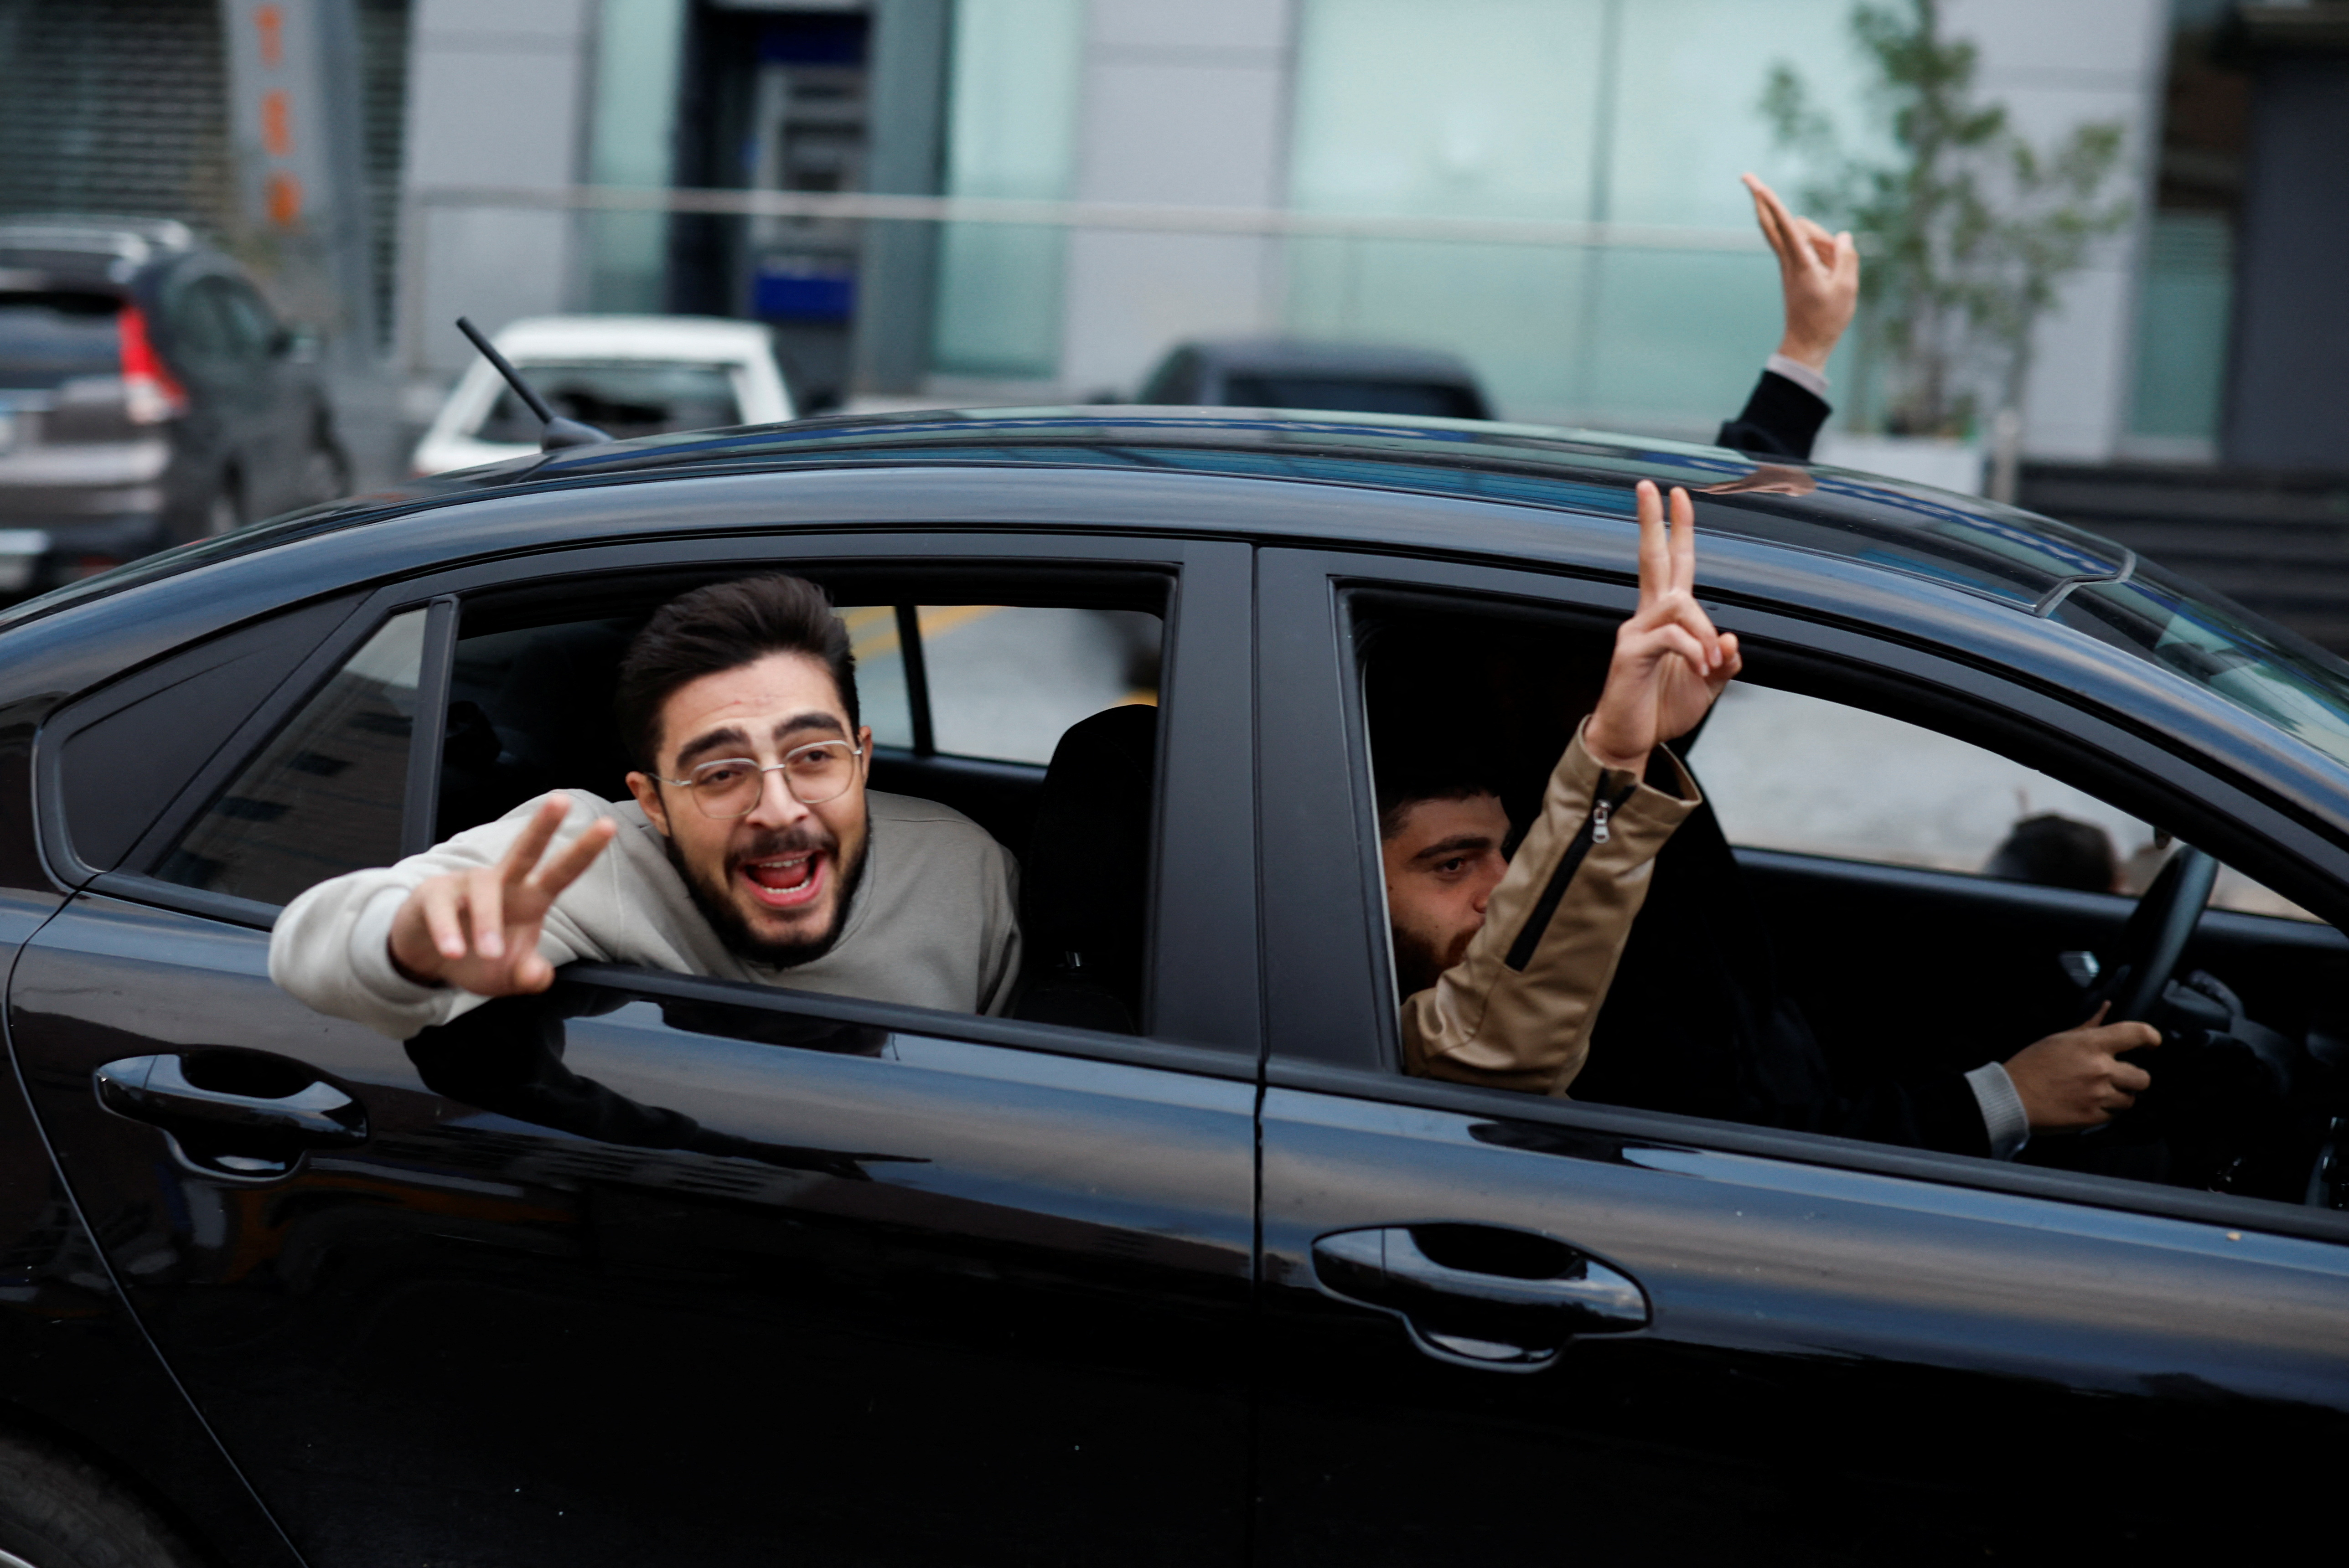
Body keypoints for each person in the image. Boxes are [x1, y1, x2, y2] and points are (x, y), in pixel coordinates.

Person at [271, 574, 1021, 1038]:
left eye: (813, 757)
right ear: (653, 802)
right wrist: (411, 942)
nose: (779, 809)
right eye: (722, 773)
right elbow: (314, 943)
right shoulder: (586, 855)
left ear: (861, 757)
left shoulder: (969, 870)